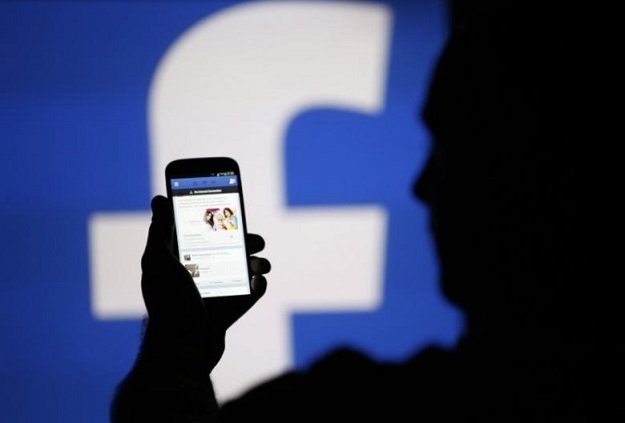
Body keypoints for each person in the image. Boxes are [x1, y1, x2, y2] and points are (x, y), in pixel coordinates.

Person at [112, 2, 617, 421]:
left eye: (451, 149)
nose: (421, 187)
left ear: (535, 179)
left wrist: (176, 345)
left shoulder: (348, 409)